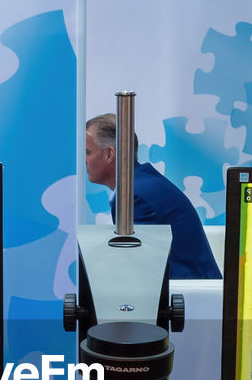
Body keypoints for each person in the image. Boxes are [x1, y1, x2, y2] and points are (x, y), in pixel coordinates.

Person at [84, 113, 221, 280]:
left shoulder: (135, 196)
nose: (83, 160)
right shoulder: (143, 184)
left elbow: (137, 270)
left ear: (109, 154)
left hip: (191, 299)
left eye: (87, 152)